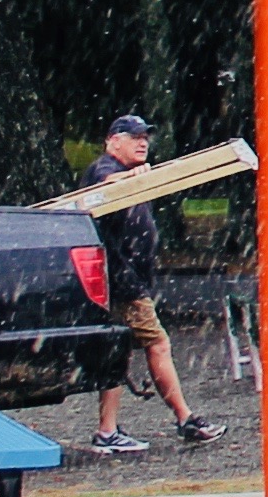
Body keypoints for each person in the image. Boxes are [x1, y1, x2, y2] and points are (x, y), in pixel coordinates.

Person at [82, 111, 213, 460]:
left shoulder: (128, 174)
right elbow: (100, 189)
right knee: (158, 345)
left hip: (126, 281)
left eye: (146, 137)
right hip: (120, 282)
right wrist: (130, 180)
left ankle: (107, 431)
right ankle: (185, 418)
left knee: (117, 353)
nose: (143, 142)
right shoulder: (105, 169)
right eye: (134, 136)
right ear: (114, 141)